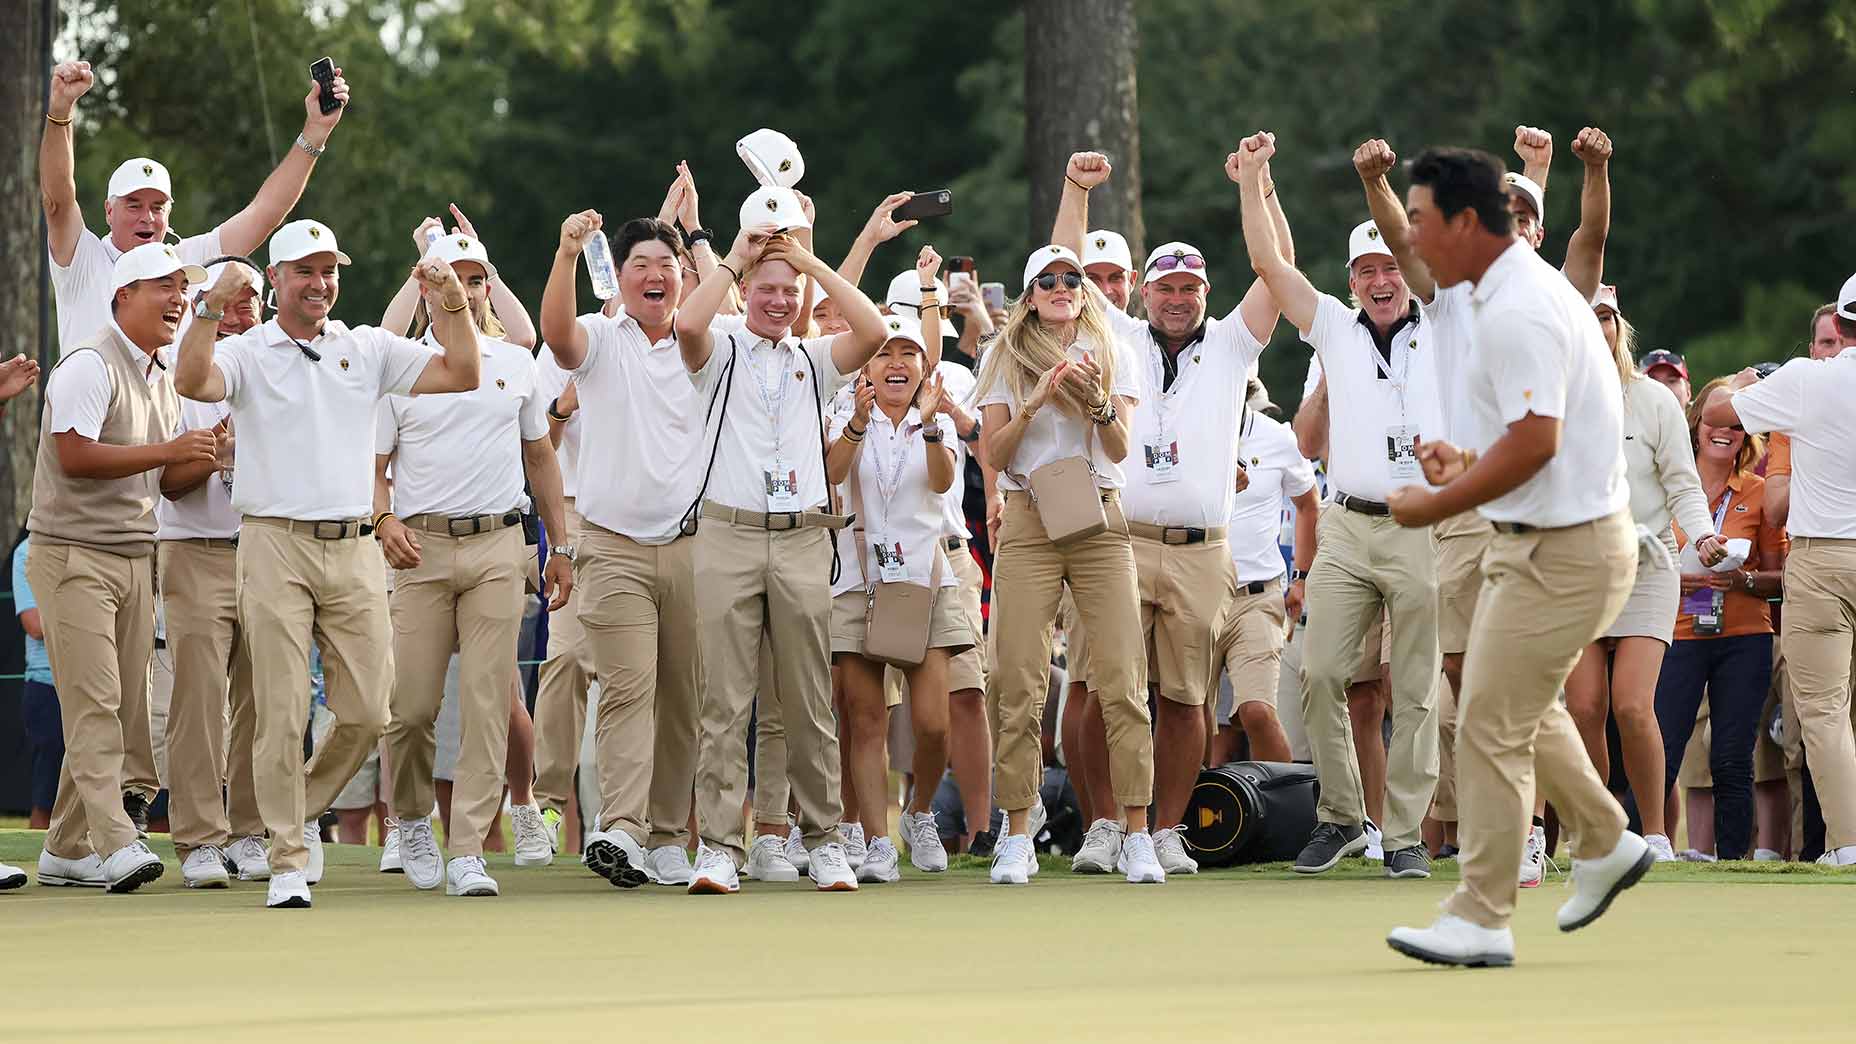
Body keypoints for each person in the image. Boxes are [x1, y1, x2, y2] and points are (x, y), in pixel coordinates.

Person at [1384, 147, 1655, 968]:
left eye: (1422, 220)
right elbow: (1531, 441)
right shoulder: (1498, 296)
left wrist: (1434, 503)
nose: (1413, 238)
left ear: (1466, 223)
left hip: (1566, 553)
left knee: (1488, 726)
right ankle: (1607, 841)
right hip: (1538, 542)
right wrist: (1464, 469)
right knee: (1517, 710)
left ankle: (1481, 914)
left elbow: (1540, 443)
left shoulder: (1520, 309)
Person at [174, 219, 483, 909]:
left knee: (372, 710)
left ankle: (293, 809)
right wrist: (210, 304)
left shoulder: (366, 346)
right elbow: (193, 378)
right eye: (305, 272)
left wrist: (451, 303)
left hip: (352, 547)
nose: (320, 284)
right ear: (277, 280)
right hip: (274, 541)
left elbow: (463, 371)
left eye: (329, 271)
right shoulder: (249, 349)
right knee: (281, 707)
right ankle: (287, 856)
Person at [1051, 146, 1288, 876]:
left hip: (1200, 548)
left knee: (1185, 698)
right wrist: (1077, 191)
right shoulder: (1115, 334)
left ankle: (1164, 832)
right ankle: (1099, 827)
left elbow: (1275, 267)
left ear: (1205, 293)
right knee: (1100, 689)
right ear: (1144, 294)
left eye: (1189, 287)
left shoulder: (1232, 346)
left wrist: (1257, 185)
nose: (1177, 298)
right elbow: (1060, 267)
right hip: (1119, 539)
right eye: (1165, 287)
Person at [1238, 132, 1443, 881]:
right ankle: (1341, 818)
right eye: (1365, 270)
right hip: (1350, 521)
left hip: (1425, 521)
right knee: (1321, 671)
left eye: (1390, 266)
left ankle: (1407, 833)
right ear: (1350, 280)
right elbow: (1269, 265)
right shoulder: (1331, 325)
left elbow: (1414, 247)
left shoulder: (1447, 318)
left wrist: (1375, 187)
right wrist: (1255, 179)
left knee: (1414, 689)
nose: (1380, 280)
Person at [672, 190, 888, 895]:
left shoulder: (814, 355)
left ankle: (824, 840)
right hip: (729, 532)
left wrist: (806, 261)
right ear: (746, 291)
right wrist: (738, 257)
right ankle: (720, 849)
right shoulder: (722, 346)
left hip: (799, 536)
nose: (776, 300)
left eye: (785, 292)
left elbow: (874, 327)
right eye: (765, 290)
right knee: (725, 701)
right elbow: (687, 322)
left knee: (806, 700)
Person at [375, 230, 573, 898]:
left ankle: (467, 849)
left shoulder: (516, 364)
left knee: (490, 701)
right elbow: (373, 469)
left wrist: (562, 543)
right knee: (410, 707)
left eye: (472, 277)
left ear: (486, 287)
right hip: (420, 549)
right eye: (444, 278)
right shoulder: (400, 366)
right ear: (426, 290)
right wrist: (384, 517)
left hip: (497, 545)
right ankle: (410, 819)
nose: (458, 288)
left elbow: (541, 458)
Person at [29, 243, 217, 893]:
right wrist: (172, 447)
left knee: (124, 709)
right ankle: (116, 841)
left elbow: (165, 481)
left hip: (137, 556)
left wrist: (211, 454)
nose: (177, 299)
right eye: (161, 286)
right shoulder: (88, 363)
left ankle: (63, 848)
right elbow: (76, 456)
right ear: (122, 297)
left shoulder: (162, 372)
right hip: (72, 553)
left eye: (181, 287)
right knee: (97, 702)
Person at [540, 205, 714, 889]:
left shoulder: (709, 341)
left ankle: (671, 835)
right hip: (611, 548)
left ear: (682, 277)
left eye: (665, 266)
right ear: (623, 275)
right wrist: (565, 254)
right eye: (639, 263)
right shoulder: (602, 337)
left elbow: (758, 300)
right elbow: (557, 335)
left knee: (683, 697)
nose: (653, 275)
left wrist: (702, 236)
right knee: (626, 690)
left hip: (695, 546)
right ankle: (623, 829)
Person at [977, 218, 1154, 886]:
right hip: (1027, 514)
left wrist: (1100, 405)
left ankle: (1136, 831)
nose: (1060, 288)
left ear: (1084, 293)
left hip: (1099, 517)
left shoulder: (1114, 349)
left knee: (1122, 677)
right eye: (1046, 281)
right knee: (1016, 678)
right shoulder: (1003, 357)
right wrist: (1040, 399)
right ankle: (1017, 832)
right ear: (1028, 296)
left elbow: (1119, 448)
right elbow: (993, 454)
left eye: (1070, 280)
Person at [1562, 284, 1723, 862]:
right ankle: (1603, 829)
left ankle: (1655, 833)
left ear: (1619, 326)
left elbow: (1682, 481)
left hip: (1648, 564)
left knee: (1631, 705)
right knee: (1582, 708)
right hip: (1578, 569)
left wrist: (1702, 535)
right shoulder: (1553, 397)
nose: (1598, 326)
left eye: (1606, 315)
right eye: (1586, 316)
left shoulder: (1654, 401)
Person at [40, 59, 350, 352]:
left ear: (169, 214)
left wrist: (315, 132)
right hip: (88, 408)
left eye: (158, 207)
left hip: (162, 410)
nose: (147, 218)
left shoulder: (188, 262)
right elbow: (58, 199)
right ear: (109, 211)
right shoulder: (84, 258)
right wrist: (60, 111)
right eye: (133, 205)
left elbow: (265, 212)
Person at [1703, 275, 1856, 867]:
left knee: (1823, 713)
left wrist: (1744, 383)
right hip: (1819, 557)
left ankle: (1847, 845)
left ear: (1838, 328)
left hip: (1821, 558)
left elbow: (1716, 411)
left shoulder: (1805, 376)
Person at [826, 294, 969, 882]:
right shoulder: (841, 410)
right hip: (858, 580)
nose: (896, 361)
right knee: (865, 719)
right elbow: (833, 472)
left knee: (934, 722)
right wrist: (859, 423)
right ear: (867, 364)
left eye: (909, 351)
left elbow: (941, 482)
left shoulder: (934, 419)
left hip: (923, 580)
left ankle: (918, 813)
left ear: (923, 364)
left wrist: (933, 425)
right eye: (885, 350)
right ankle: (877, 840)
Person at [154, 256, 270, 887]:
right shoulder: (183, 369)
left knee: (264, 700)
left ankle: (251, 830)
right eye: (232, 295)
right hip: (196, 548)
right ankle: (199, 837)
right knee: (199, 699)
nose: (244, 305)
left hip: (268, 549)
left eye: (253, 295)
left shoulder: (282, 364)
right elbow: (170, 484)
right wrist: (215, 454)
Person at [1653, 377, 1786, 861]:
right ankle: (1641, 850)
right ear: (1696, 426)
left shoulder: (1756, 491)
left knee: (1732, 756)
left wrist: (1743, 581)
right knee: (1661, 749)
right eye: (1714, 421)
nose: (1724, 432)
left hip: (1744, 636)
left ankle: (1734, 862)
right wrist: (1673, 580)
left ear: (1747, 433)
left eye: (1736, 425)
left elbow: (1778, 576)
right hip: (1678, 633)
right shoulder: (1666, 486)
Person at [1215, 387, 1315, 765]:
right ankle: (1182, 822)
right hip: (1194, 591)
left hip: (1257, 596)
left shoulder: (1277, 437)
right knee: (1190, 719)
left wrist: (1302, 576)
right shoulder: (1181, 429)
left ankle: (1284, 817)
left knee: (1257, 711)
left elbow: (1308, 504)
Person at [11, 530, 62, 834]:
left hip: (97, 686)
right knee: (46, 799)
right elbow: (34, 624)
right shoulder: (25, 551)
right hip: (47, 687)